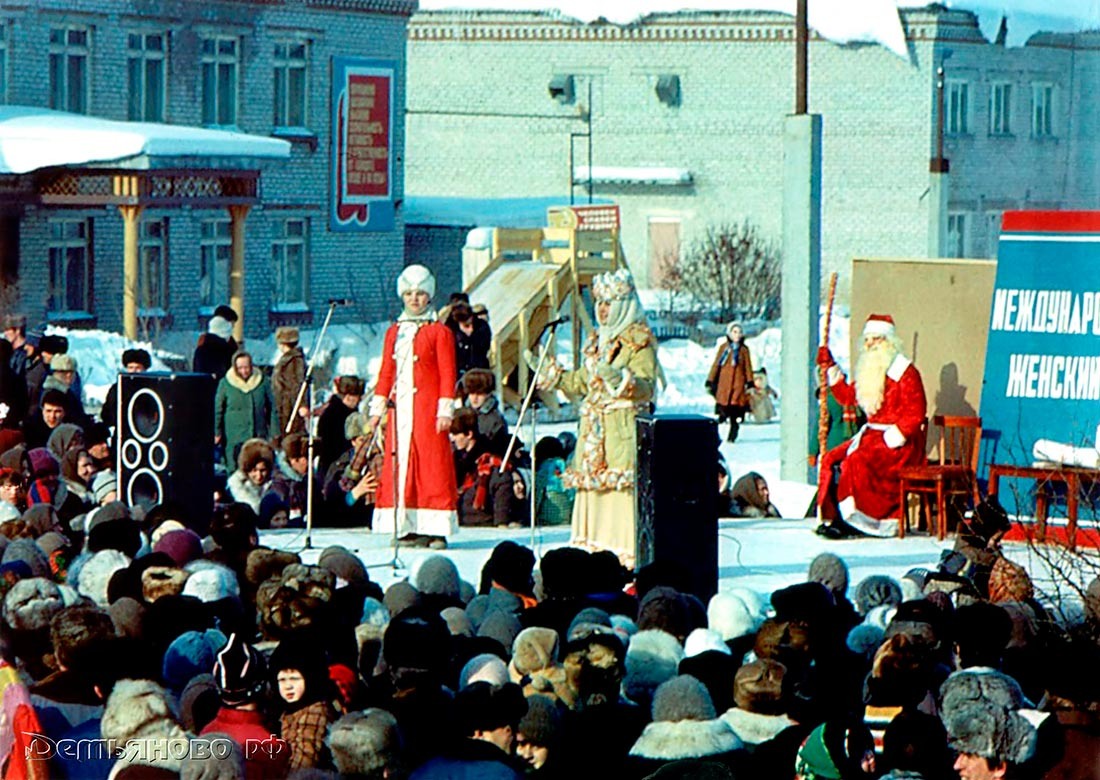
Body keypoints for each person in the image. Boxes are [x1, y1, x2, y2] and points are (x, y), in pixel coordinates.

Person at [536, 268, 658, 564]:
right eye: (600, 304)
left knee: (618, 493)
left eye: (609, 304)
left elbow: (647, 387)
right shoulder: (597, 342)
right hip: (594, 433)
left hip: (620, 430)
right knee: (593, 493)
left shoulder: (638, 342)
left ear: (623, 306)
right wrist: (553, 375)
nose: (603, 311)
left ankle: (624, 557)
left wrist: (621, 379)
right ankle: (591, 553)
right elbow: (581, 382)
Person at [369, 264, 458, 550]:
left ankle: (435, 529)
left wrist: (445, 410)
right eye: (409, 294)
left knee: (432, 467)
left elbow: (448, 373)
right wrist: (377, 406)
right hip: (400, 412)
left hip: (428, 411)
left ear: (429, 296)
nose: (414, 299)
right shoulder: (394, 332)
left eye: (420, 294)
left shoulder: (439, 332)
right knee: (401, 466)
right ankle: (406, 525)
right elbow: (386, 372)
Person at [815, 314, 927, 539]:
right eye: (866, 340)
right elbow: (848, 397)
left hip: (897, 444)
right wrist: (831, 367)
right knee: (830, 458)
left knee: (857, 460)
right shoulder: (870, 371)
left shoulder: (905, 372)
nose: (868, 345)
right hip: (870, 436)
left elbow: (916, 412)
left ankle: (864, 522)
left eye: (874, 340)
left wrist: (897, 435)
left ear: (888, 341)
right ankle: (836, 515)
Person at [451, 408, 518, 528]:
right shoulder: (456, 457)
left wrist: (501, 522)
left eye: (456, 434)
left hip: (482, 517)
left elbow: (503, 483)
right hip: (460, 517)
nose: (453, 438)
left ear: (469, 434)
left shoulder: (489, 459)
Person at [214, 351, 277, 471]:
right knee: (235, 469)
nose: (244, 371)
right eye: (240, 368)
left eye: (246, 367)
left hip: (258, 435)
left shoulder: (262, 381)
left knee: (258, 468)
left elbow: (272, 407)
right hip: (234, 437)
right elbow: (218, 409)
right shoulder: (225, 384)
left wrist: (275, 432)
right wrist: (217, 432)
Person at [706, 321, 754, 443]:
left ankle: (733, 433)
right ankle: (718, 430)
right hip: (724, 384)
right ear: (730, 333)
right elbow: (716, 364)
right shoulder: (724, 348)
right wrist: (710, 379)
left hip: (737, 385)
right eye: (735, 332)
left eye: (740, 332)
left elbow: (748, 367)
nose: (737, 335)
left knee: (734, 410)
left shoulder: (744, 350)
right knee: (723, 408)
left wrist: (750, 382)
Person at [317, 375, 365, 476]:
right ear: (348, 397)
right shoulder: (333, 415)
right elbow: (332, 446)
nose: (360, 400)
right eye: (357, 396)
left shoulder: (341, 412)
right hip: (334, 469)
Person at [100, 348, 151, 428]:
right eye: (130, 367)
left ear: (144, 369)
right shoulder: (118, 388)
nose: (134, 371)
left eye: (138, 368)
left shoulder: (151, 389)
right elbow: (107, 413)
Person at [272, 326, 306, 443]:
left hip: (289, 407)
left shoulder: (293, 361)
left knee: (289, 438)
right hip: (282, 405)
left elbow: (296, 384)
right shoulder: (288, 359)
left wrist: (301, 404)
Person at [462, 368, 507, 452]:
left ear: (488, 394)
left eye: (479, 394)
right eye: (471, 393)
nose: (474, 398)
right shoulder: (461, 415)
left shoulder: (496, 420)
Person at [447, 300, 492, 382]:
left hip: (479, 369)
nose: (469, 326)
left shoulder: (482, 326)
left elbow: (484, 347)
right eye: (464, 324)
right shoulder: (452, 330)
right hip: (459, 372)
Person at [193, 304, 239, 377]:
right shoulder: (209, 347)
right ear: (226, 325)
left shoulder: (204, 343)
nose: (233, 327)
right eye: (232, 324)